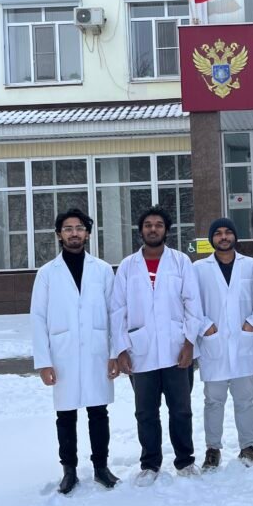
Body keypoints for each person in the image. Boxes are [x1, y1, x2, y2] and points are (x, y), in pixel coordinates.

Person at [110, 205, 203, 485]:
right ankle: (150, 464)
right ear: (141, 231)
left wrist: (189, 342)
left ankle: (185, 461)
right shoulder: (128, 266)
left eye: (158, 225)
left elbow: (193, 303)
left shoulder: (180, 262)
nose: (153, 229)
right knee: (145, 412)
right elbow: (117, 309)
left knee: (181, 409)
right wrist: (121, 349)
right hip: (142, 351)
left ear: (166, 230)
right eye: (148, 225)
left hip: (177, 350)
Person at [30, 208, 120, 495]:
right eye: (67, 228)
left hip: (96, 351)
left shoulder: (103, 270)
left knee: (98, 412)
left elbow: (114, 313)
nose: (74, 233)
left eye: (79, 228)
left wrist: (115, 353)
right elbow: (38, 318)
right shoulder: (47, 274)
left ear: (88, 233)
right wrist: (44, 362)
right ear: (59, 234)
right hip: (63, 352)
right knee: (66, 415)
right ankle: (68, 470)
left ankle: (101, 468)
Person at [194, 217, 253, 471]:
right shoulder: (199, 269)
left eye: (228, 232)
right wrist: (206, 326)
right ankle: (212, 449)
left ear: (235, 236)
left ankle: (249, 446)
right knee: (213, 400)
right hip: (213, 343)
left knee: (245, 398)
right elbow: (190, 303)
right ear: (211, 238)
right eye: (218, 233)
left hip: (244, 340)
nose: (223, 237)